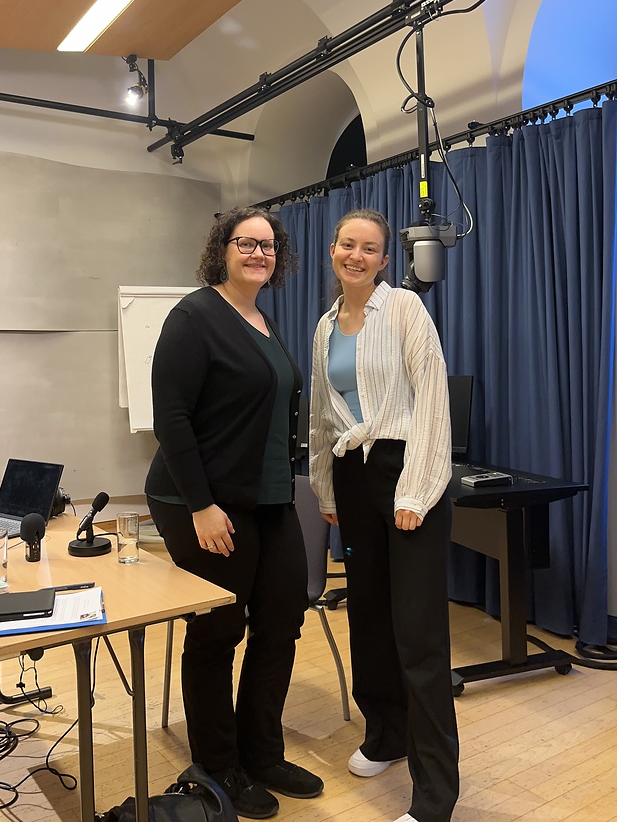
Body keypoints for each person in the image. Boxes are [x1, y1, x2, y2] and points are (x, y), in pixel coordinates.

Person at [145, 207, 323, 820]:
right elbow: (170, 416)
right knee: (219, 630)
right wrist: (202, 506)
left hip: (266, 496)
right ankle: (219, 767)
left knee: (282, 619)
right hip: (200, 499)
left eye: (269, 246)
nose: (258, 253)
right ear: (221, 249)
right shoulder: (194, 316)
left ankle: (262, 753)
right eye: (246, 242)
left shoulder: (265, 322)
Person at [309, 209, 459, 822]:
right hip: (352, 476)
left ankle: (435, 797)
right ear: (333, 251)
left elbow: (433, 400)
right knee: (368, 615)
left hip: (406, 472)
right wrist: (326, 491)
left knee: (418, 635)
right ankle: (386, 735)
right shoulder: (324, 327)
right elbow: (322, 417)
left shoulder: (404, 309)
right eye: (348, 244)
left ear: (384, 260)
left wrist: (414, 493)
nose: (357, 256)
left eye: (369, 248)